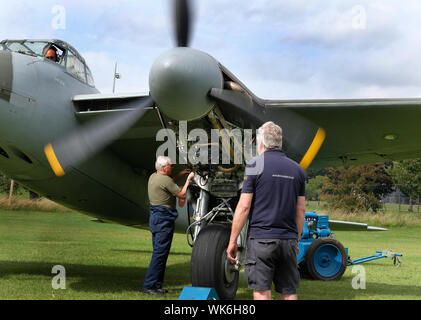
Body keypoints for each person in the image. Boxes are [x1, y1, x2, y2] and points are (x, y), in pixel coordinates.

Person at [226, 121, 306, 300]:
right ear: (280, 142)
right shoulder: (298, 170)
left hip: (262, 240)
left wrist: (233, 241)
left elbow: (244, 207)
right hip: (288, 240)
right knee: (289, 292)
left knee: (262, 291)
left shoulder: (254, 166)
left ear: (261, 142)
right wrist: (296, 239)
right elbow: (300, 211)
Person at [142, 156, 194, 295]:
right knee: (159, 254)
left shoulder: (154, 176)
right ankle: (149, 286)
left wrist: (179, 175)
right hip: (164, 219)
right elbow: (182, 194)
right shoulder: (165, 180)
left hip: (155, 218)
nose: (172, 167)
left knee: (159, 252)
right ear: (164, 168)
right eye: (170, 165)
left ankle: (156, 285)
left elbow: (168, 184)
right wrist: (188, 179)